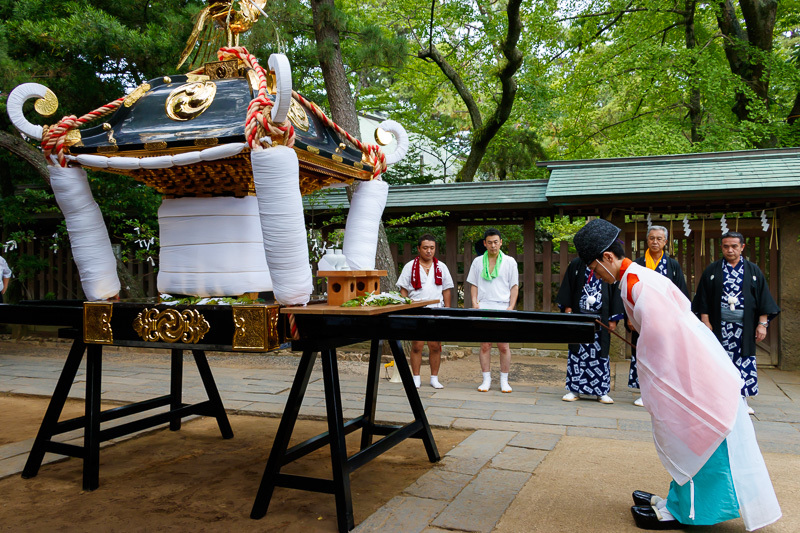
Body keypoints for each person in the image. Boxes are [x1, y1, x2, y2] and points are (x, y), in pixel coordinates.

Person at [574, 218, 780, 531]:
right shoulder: (633, 278)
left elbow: (665, 340)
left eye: (593, 267)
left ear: (607, 258)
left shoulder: (639, 283)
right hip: (692, 368)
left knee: (697, 437)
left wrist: (649, 368)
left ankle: (691, 513)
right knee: (685, 436)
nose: (593, 275)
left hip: (695, 374)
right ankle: (678, 502)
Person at [692, 232, 779, 416]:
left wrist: (762, 324)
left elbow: (763, 298)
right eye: (726, 246)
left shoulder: (753, 271)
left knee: (744, 360)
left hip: (744, 326)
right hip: (718, 326)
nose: (730, 250)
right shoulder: (712, 270)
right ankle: (717, 400)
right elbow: (703, 298)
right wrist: (705, 322)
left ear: (742, 247)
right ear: (721, 247)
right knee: (717, 362)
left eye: (734, 246)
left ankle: (742, 399)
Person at [628, 225, 689, 407]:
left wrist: (681, 316)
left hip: (666, 316)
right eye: (652, 238)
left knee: (665, 353)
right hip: (642, 315)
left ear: (665, 242)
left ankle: (664, 391)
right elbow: (629, 291)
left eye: (659, 239)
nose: (655, 241)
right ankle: (644, 392)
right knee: (644, 352)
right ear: (647, 241)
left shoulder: (673, 265)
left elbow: (680, 292)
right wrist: (630, 317)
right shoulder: (637, 264)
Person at [556, 256, 623, 404]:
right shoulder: (576, 264)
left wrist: (613, 318)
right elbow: (568, 286)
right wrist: (568, 307)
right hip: (579, 316)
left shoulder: (606, 263)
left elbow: (615, 288)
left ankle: (601, 391)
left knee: (600, 353)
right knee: (576, 352)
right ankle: (574, 389)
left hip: (601, 317)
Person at [396, 234, 454, 389]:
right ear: (418, 248)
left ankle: (434, 377)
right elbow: (403, 290)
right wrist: (405, 309)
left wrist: (446, 311)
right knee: (417, 345)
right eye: (425, 248)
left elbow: (447, 289)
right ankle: (416, 377)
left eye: (432, 248)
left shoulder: (441, 267)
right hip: (416, 309)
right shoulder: (410, 266)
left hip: (436, 309)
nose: (429, 251)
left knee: (435, 345)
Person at [466, 228, 519, 393]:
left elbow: (514, 286)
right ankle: (486, 379)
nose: (493, 245)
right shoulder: (477, 262)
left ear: (501, 242)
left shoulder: (510, 261)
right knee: (485, 344)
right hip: (484, 305)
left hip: (503, 305)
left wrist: (511, 307)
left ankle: (504, 380)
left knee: (503, 345)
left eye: (496, 242)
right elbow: (473, 284)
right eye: (489, 242)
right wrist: (475, 303)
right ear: (485, 243)